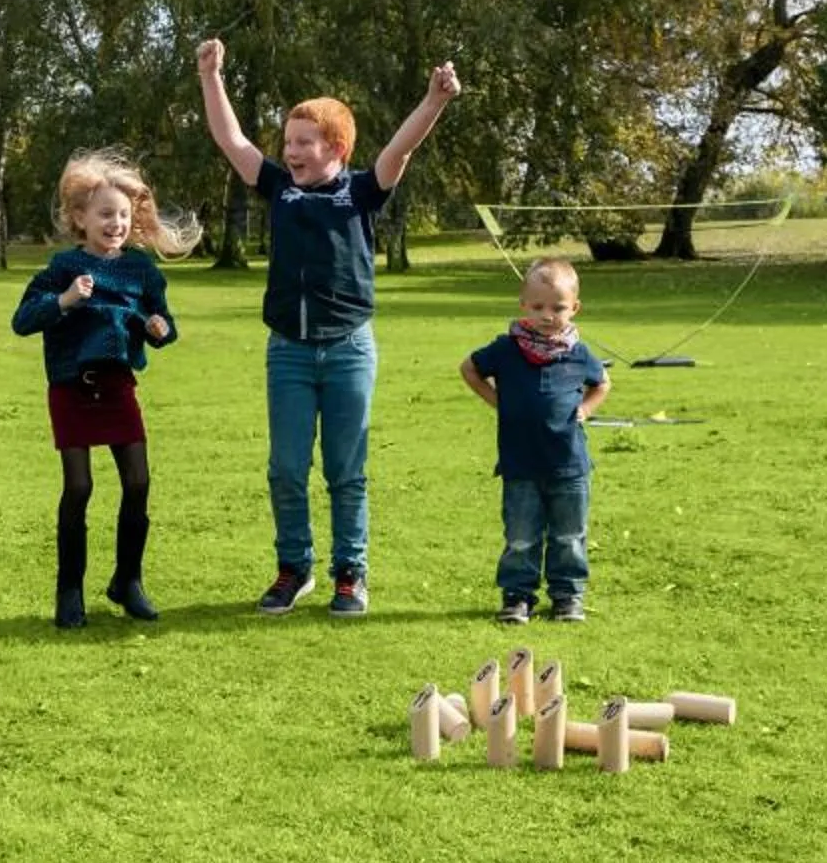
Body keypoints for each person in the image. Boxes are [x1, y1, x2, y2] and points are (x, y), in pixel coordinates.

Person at [194, 39, 461, 617]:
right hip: (287, 351)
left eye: (302, 143)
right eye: (288, 142)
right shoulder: (278, 188)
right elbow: (230, 140)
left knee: (346, 470)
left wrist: (434, 100)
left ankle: (350, 574)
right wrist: (211, 76)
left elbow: (401, 147)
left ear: (335, 147)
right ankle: (294, 570)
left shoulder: (362, 191)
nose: (290, 152)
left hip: (348, 350)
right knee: (287, 468)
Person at [10, 151, 197, 628]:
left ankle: (127, 581)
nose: (115, 223)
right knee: (79, 486)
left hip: (118, 388)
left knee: (138, 482)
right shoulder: (63, 267)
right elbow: (23, 320)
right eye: (105, 214)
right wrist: (65, 301)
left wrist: (159, 329)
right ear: (80, 218)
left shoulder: (141, 271)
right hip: (73, 388)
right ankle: (69, 591)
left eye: (123, 215)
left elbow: (164, 325)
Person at [460, 254, 610, 624]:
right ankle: (517, 596)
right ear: (523, 305)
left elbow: (602, 383)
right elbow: (469, 368)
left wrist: (587, 410)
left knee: (569, 535)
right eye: (538, 306)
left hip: (569, 464)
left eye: (558, 307)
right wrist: (498, 401)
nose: (547, 315)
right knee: (522, 535)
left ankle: (567, 596)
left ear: (574, 308)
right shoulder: (506, 348)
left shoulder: (578, 352)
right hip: (521, 462)